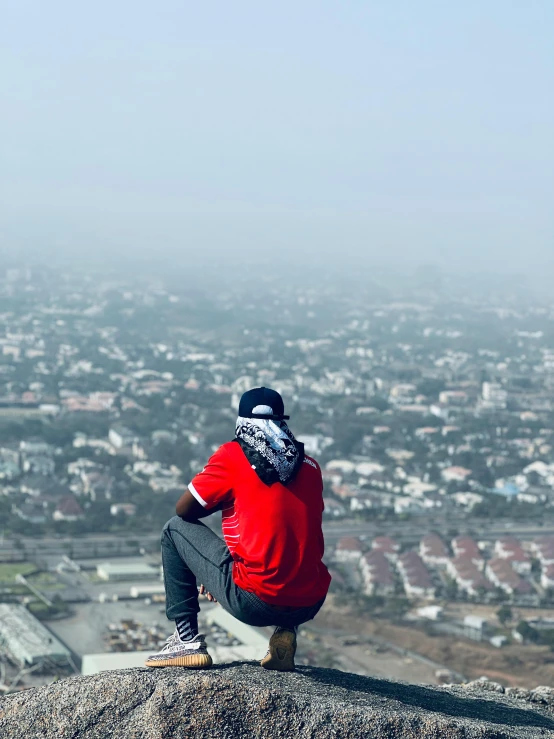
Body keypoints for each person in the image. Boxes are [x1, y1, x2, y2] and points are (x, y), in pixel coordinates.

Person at [145, 386, 331, 671]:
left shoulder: (234, 456)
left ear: (242, 422)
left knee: (174, 530)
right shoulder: (310, 466)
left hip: (255, 600)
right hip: (309, 601)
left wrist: (229, 498)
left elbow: (184, 510)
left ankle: (186, 640)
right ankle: (286, 632)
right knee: (290, 541)